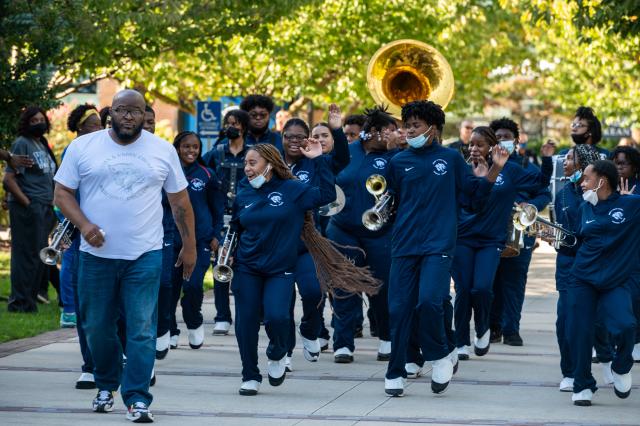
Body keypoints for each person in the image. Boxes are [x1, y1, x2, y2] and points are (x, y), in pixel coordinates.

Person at [53, 89, 196, 422]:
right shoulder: (83, 147)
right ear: (110, 113)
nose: (129, 117)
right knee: (96, 326)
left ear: (146, 115)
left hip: (144, 255)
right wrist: (84, 224)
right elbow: (62, 193)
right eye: (122, 110)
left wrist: (189, 248)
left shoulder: (161, 151)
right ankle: (106, 383)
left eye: (136, 111)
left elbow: (180, 203)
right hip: (95, 256)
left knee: (142, 328)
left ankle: (137, 397)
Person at [229, 142, 378, 396]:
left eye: (252, 163)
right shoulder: (243, 191)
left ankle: (277, 352)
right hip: (247, 267)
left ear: (270, 164)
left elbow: (327, 195)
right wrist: (228, 252)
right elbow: (237, 225)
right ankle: (250, 375)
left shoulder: (293, 190)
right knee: (246, 322)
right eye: (245, 163)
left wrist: (319, 159)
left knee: (278, 317)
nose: (247, 169)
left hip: (280, 268)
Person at [383, 100, 509, 397]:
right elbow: (389, 201)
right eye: (407, 125)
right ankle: (395, 371)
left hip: (439, 244)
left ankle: (439, 354)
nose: (409, 130)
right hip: (404, 244)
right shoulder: (398, 161)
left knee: (429, 301)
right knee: (399, 309)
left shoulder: (450, 159)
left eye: (415, 125)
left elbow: (474, 199)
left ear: (433, 128)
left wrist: (495, 170)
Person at [452, 127, 553, 361]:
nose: (474, 149)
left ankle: (483, 328)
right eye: (472, 145)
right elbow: (469, 201)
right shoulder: (463, 169)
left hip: (491, 240)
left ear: (491, 147)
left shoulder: (511, 170)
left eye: (480, 145)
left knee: (482, 288)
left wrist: (546, 159)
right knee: (464, 290)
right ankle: (461, 342)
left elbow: (540, 182)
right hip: (463, 239)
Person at [326, 106, 399, 364]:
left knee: (382, 286)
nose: (394, 135)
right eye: (389, 131)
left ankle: (387, 337)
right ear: (373, 132)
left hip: (380, 231)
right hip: (343, 228)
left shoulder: (394, 156)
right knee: (344, 284)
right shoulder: (348, 150)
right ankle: (343, 343)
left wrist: (396, 152)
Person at [567, 160, 638, 406]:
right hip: (582, 279)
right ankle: (582, 384)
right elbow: (576, 242)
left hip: (615, 281)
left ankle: (621, 366)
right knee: (580, 331)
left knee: (626, 325)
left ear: (602, 181)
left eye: (586, 178)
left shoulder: (631, 205)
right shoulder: (583, 207)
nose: (582, 183)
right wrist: (557, 241)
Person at [488, 118, 551, 348]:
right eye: (498, 137)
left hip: (521, 231)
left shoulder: (527, 166)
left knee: (514, 281)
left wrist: (529, 205)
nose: (502, 141)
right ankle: (492, 328)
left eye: (506, 136)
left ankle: (511, 329)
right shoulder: (485, 165)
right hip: (492, 230)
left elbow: (545, 194)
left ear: (516, 140)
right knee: (490, 281)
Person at [552, 144, 600, 392]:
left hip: (595, 264)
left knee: (596, 322)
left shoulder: (600, 192)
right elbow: (561, 227)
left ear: (584, 164)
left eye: (570, 158)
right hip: (568, 264)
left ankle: (608, 359)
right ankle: (570, 372)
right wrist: (554, 237)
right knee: (565, 322)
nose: (565, 162)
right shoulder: (562, 192)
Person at [168, 132, 224, 349]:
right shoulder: (169, 173)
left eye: (195, 147)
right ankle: (170, 330)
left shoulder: (207, 175)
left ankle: (194, 322)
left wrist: (215, 234)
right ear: (177, 148)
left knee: (192, 287)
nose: (191, 151)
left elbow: (217, 209)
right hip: (172, 240)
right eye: (186, 147)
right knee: (169, 288)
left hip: (200, 241)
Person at [202, 108, 251, 336]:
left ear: (244, 126)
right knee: (220, 263)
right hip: (221, 215)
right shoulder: (215, 152)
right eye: (228, 122)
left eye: (236, 123)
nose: (232, 126)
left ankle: (246, 314)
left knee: (244, 267)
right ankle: (222, 316)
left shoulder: (253, 152)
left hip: (247, 216)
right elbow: (202, 176)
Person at [4, 106, 57, 313]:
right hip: (29, 207)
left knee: (38, 255)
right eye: (33, 121)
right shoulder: (21, 143)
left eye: (41, 119)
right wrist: (27, 203)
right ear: (26, 123)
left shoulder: (41, 144)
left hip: (44, 206)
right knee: (26, 255)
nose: (38, 123)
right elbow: (8, 179)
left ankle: (29, 300)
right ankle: (19, 302)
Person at [58, 104, 103, 328]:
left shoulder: (97, 147)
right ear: (81, 127)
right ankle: (68, 310)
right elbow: (64, 188)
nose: (99, 128)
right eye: (94, 125)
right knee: (71, 259)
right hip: (74, 214)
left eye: (100, 124)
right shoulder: (74, 148)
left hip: (90, 214)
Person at [612, 146, 640, 362]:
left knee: (635, 299)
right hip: (613, 253)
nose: (619, 167)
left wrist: (627, 201)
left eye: (624, 163)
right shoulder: (607, 188)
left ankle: (636, 342)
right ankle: (607, 343)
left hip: (635, 253)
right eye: (615, 162)